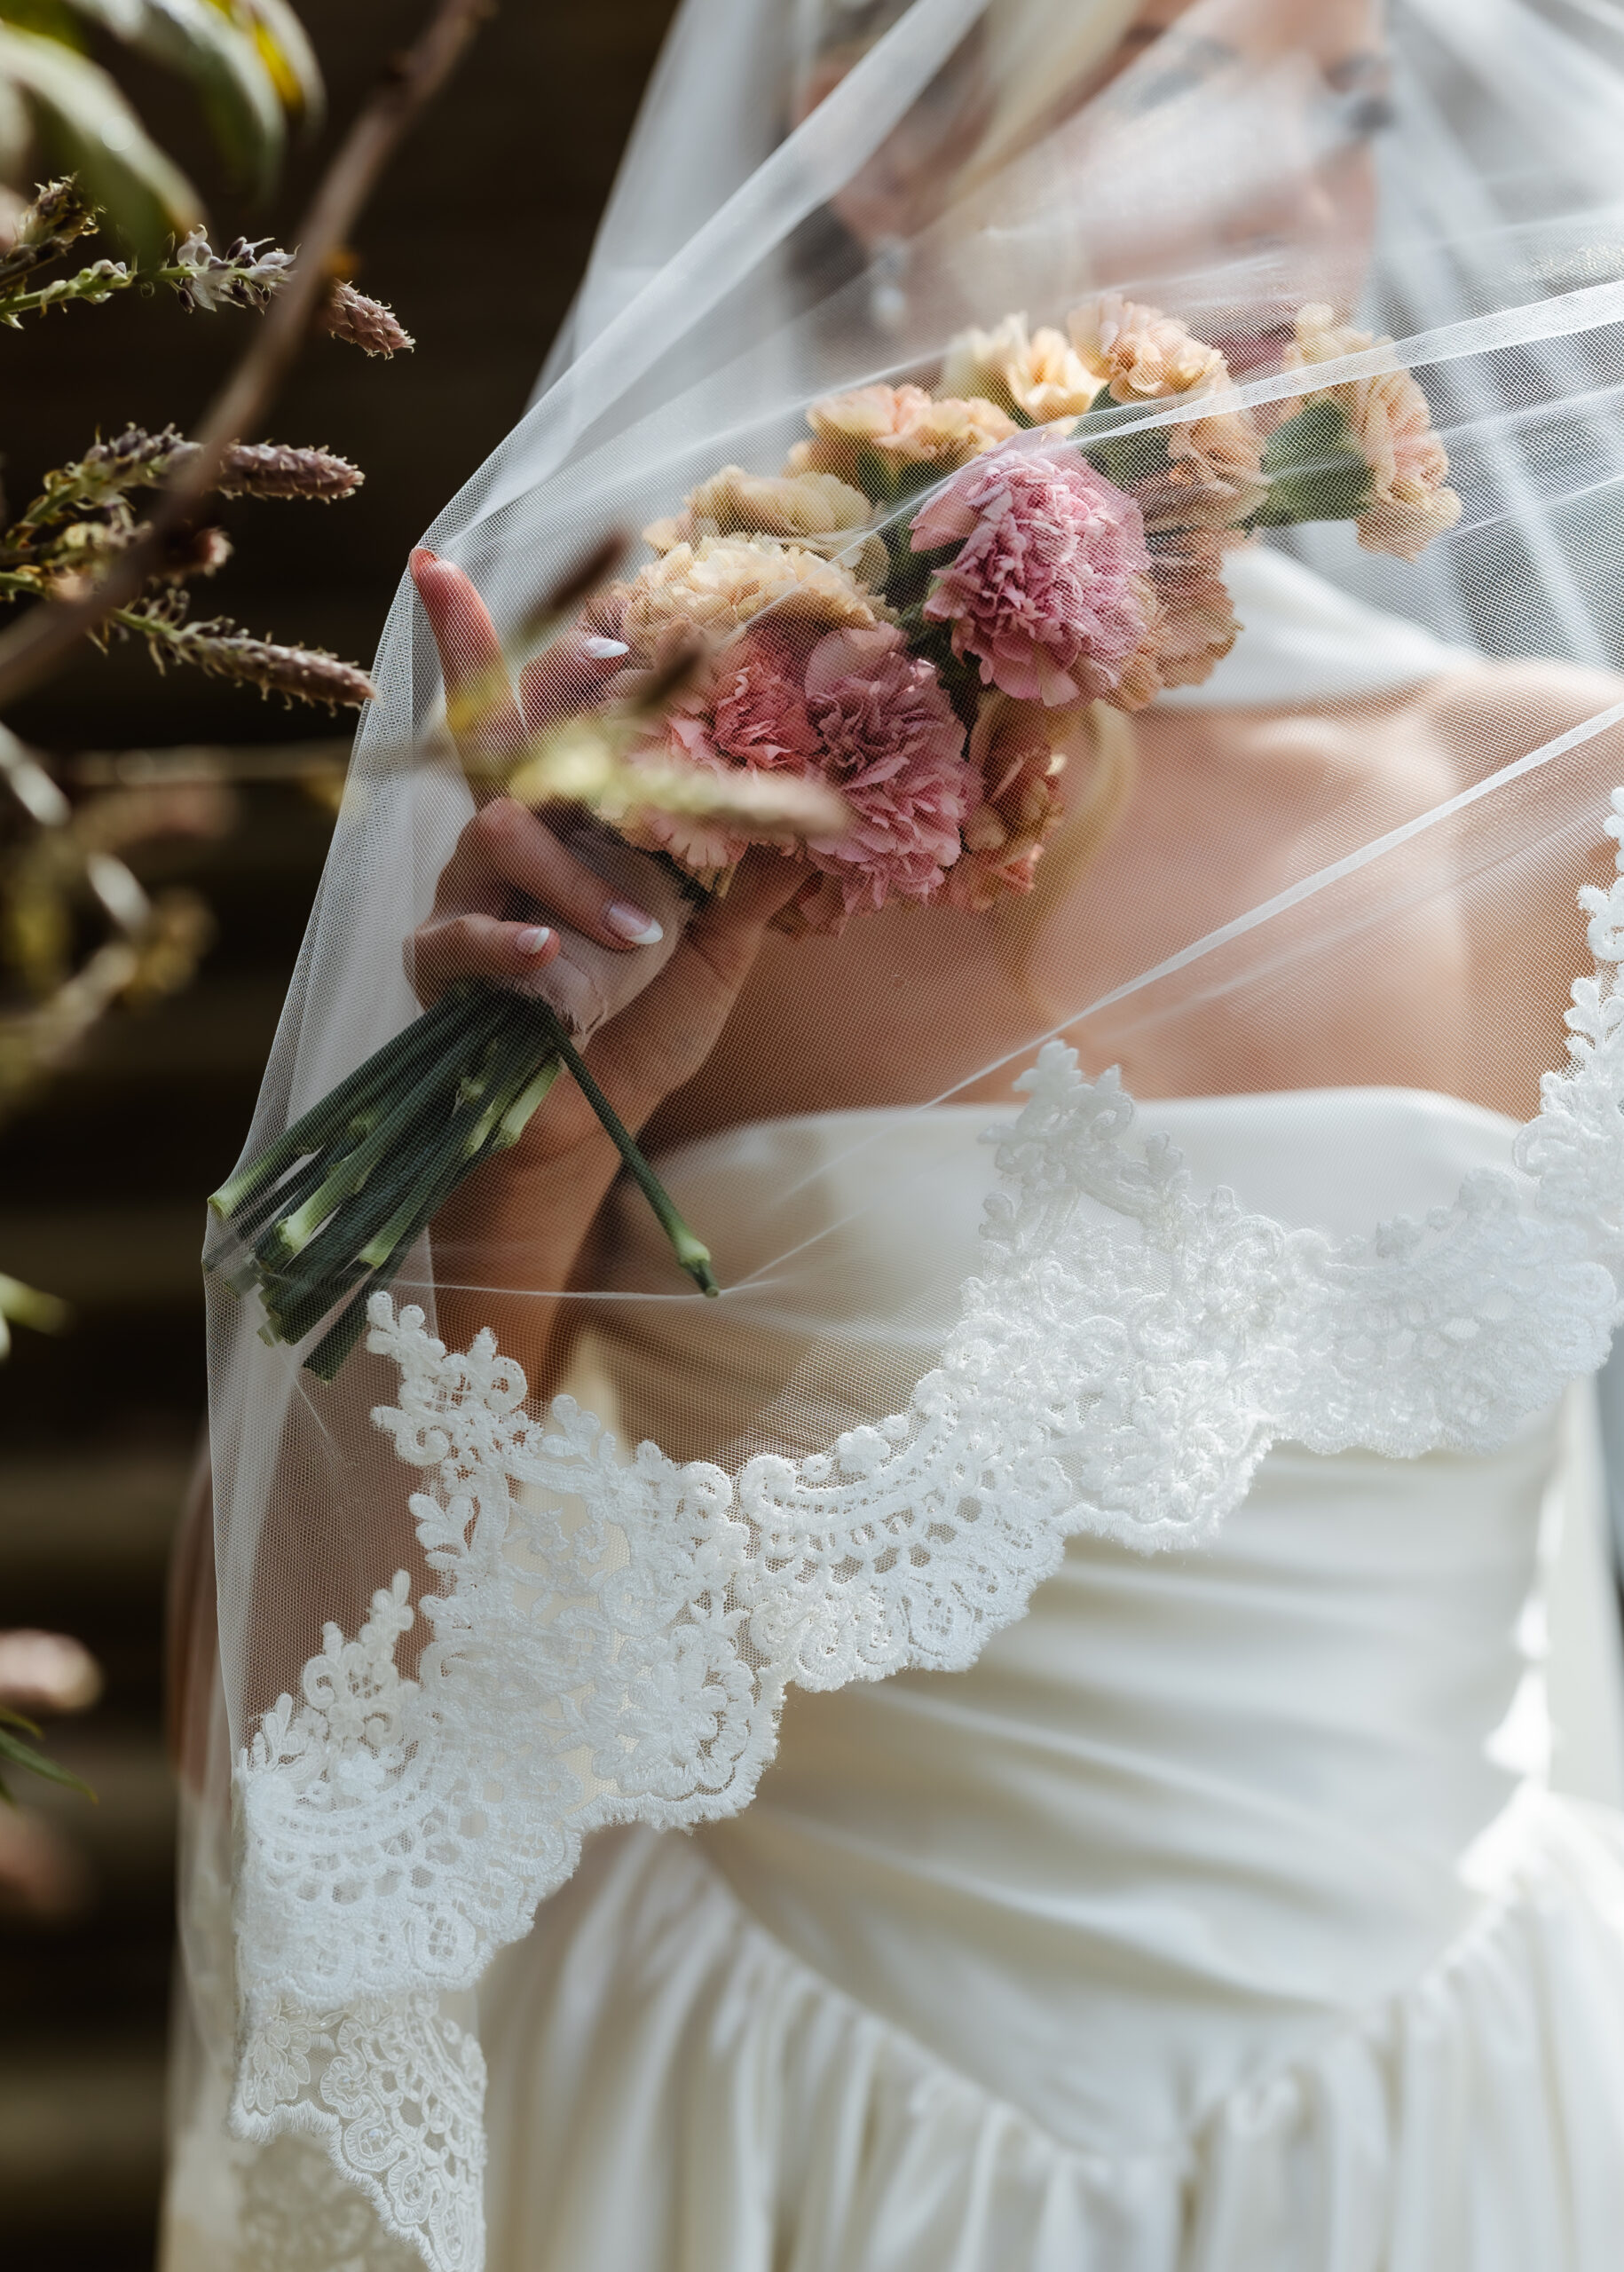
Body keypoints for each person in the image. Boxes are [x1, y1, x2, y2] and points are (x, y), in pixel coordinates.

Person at [162, 3, 1624, 2267]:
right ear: (861, 133)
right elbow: (273, 1736)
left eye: (1351, 96)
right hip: (780, 2157)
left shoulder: (1544, 792)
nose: (1301, 186)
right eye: (1188, 62)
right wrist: (541, 1142)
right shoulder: (648, 777)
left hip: (1463, 2148)